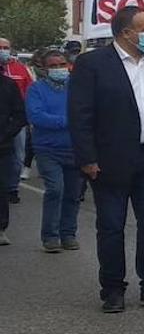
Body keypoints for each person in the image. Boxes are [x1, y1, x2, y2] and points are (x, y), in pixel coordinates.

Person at [68, 6, 144, 313]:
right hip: (110, 159)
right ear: (126, 33)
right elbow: (80, 115)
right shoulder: (93, 63)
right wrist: (87, 157)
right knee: (111, 226)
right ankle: (112, 289)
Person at [26, 50, 83, 253]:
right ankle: (50, 236)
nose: (59, 69)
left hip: (75, 149)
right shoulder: (36, 89)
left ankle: (68, 234)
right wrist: (68, 121)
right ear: (44, 68)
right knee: (56, 189)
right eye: (53, 66)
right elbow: (36, 116)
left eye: (61, 64)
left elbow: (86, 112)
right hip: (48, 149)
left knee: (73, 194)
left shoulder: (77, 87)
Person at [1, 37, 34, 203]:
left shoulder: (21, 69)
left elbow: (30, 90)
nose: (3, 51)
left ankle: (12, 188)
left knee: (18, 155)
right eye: (0, 48)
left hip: (17, 120)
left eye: (5, 48)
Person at [0, 71, 24, 245]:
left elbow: (20, 115)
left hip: (2, 146)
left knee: (1, 189)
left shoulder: (8, 85)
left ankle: (1, 228)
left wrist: (5, 134)